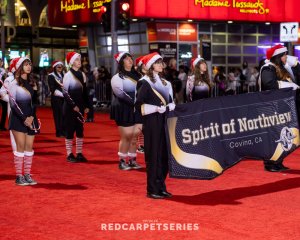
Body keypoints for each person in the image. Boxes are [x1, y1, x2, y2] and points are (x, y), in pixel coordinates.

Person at [135, 52, 175, 199]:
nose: (161, 65)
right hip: (151, 122)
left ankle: (161, 186)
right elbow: (139, 105)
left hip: (164, 120)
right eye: (157, 62)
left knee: (164, 156)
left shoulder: (166, 83)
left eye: (161, 62)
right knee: (153, 156)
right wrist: (155, 108)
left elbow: (171, 100)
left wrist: (171, 106)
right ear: (151, 65)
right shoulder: (144, 82)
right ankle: (152, 189)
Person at [258, 44, 299, 172]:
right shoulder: (267, 68)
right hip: (270, 107)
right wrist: (289, 85)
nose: (287, 56)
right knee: (272, 136)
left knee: (281, 135)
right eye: (285, 54)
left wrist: (297, 65)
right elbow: (269, 84)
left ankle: (278, 161)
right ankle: (270, 163)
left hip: (282, 108)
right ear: (278, 56)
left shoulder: (284, 68)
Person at [8, 57, 39, 186]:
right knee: (20, 147)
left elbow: (35, 103)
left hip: (31, 118)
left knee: (29, 148)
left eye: (30, 64)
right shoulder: (13, 84)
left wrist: (31, 117)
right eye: (25, 64)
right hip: (18, 119)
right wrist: (24, 118)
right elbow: (13, 105)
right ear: (20, 67)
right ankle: (19, 176)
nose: (28, 66)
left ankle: (27, 174)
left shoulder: (32, 84)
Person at [110, 52, 142, 170]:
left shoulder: (138, 75)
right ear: (121, 62)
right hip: (123, 108)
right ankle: (122, 161)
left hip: (137, 108)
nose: (130, 60)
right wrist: (136, 103)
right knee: (127, 136)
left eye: (130, 58)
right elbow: (120, 94)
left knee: (135, 136)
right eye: (126, 59)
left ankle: (132, 160)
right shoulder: (117, 77)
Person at [62, 52, 89, 163]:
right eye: (77, 60)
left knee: (80, 130)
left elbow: (85, 92)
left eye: (80, 59)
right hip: (69, 107)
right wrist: (73, 105)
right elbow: (65, 93)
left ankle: (79, 153)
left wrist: (86, 105)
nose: (80, 62)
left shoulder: (82, 74)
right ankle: (69, 154)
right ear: (72, 62)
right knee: (69, 130)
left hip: (80, 107)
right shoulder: (67, 75)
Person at [0, 58, 18, 152]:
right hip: (13, 108)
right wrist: (11, 100)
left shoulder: (25, 78)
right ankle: (16, 151)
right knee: (14, 129)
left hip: (25, 108)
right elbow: (2, 93)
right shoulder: (9, 79)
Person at [48, 60, 65, 137]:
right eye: (58, 66)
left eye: (61, 66)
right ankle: (59, 132)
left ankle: (64, 131)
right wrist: (63, 95)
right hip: (56, 98)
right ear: (55, 67)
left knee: (64, 115)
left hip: (64, 99)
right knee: (58, 116)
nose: (60, 68)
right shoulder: (51, 76)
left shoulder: (63, 75)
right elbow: (52, 89)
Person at [0, 58, 8, 131]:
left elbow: (6, 80)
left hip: (2, 91)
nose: (0, 63)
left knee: (5, 109)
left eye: (1, 62)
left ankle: (2, 125)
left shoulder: (4, 71)